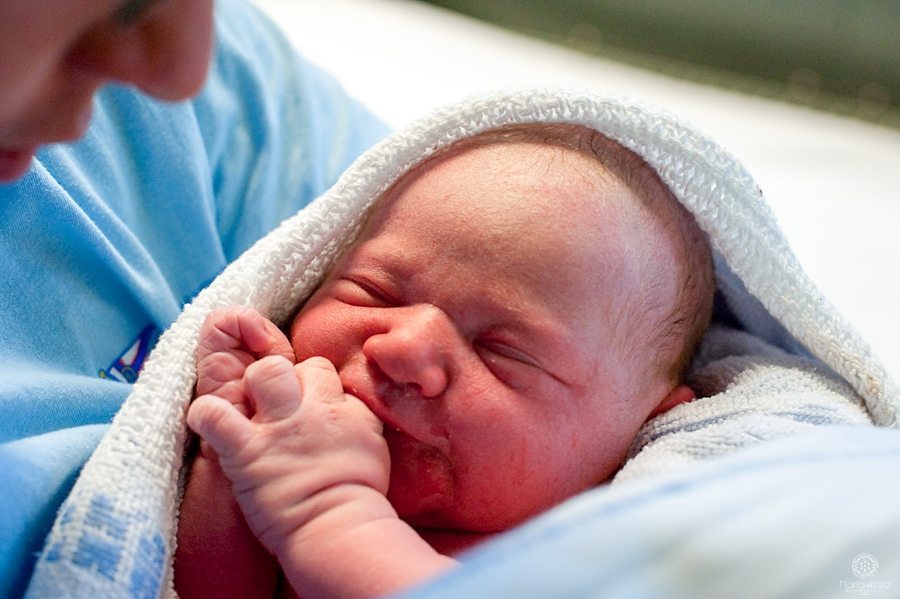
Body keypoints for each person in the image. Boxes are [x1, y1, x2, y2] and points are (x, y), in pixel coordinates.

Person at [176, 123, 716, 597]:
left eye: (503, 352)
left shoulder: (582, 554)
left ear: (646, 424)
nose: (402, 348)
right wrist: (232, 460)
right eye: (373, 292)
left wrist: (326, 511)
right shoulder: (297, 478)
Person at [0, 0, 388, 595]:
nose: (184, 75)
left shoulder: (217, 90)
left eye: (504, 353)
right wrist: (329, 515)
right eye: (130, 7)